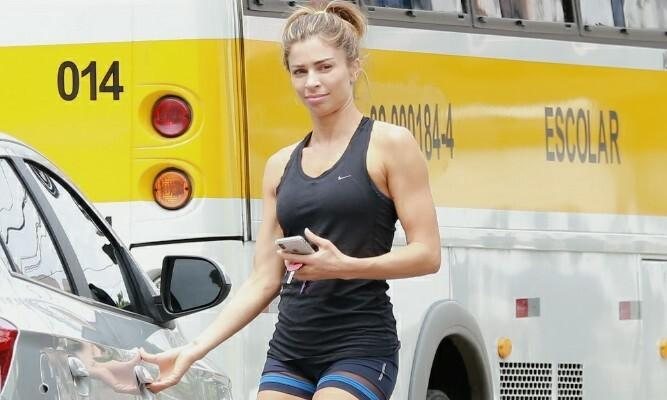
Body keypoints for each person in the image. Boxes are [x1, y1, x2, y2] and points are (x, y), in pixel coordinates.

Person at [140, 1, 441, 399]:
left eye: (324, 67)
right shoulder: (281, 165)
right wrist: (191, 352)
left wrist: (346, 267)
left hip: (361, 346)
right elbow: (265, 279)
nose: (311, 82)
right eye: (300, 72)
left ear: (353, 67)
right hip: (291, 349)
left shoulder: (390, 144)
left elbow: (427, 253)